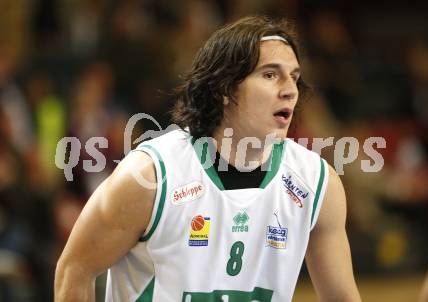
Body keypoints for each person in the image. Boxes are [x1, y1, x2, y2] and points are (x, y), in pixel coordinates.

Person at [55, 16, 361, 301]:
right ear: (225, 89)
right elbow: (75, 270)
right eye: (270, 75)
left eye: (293, 77)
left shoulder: (316, 182)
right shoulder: (150, 176)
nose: (290, 91)